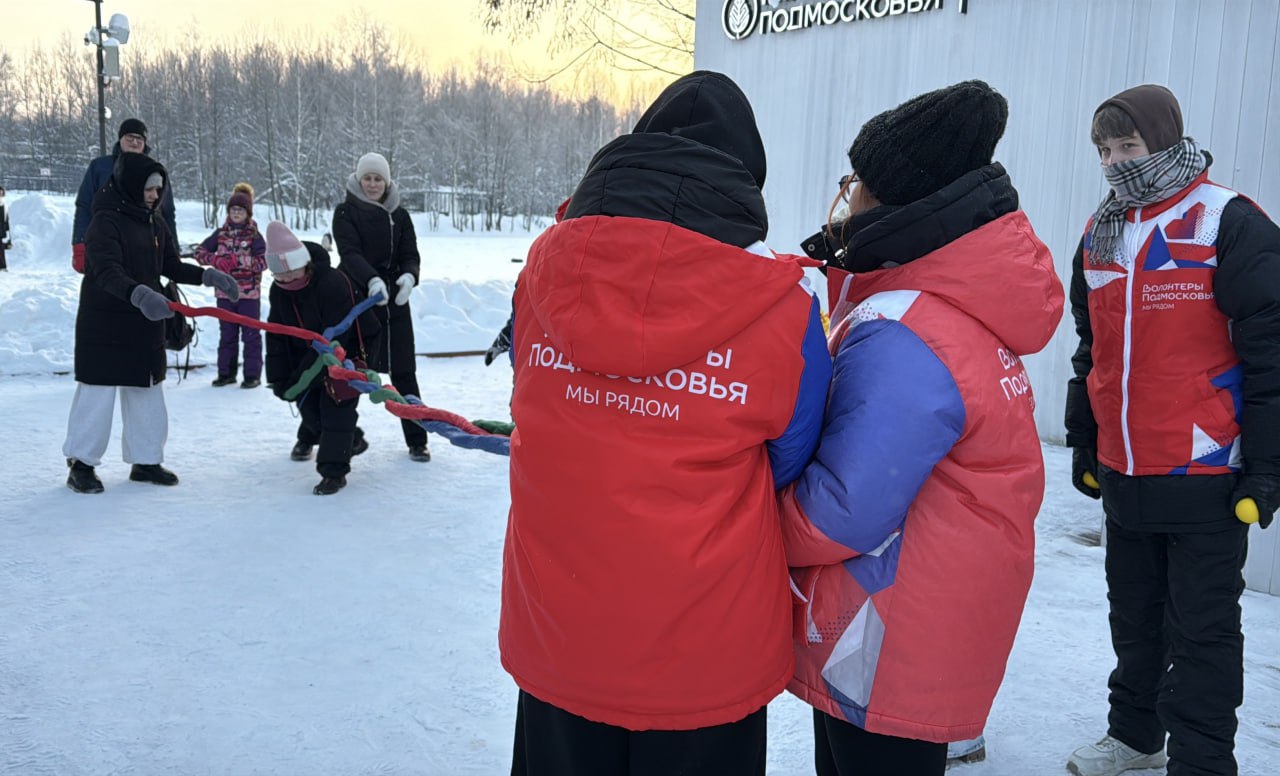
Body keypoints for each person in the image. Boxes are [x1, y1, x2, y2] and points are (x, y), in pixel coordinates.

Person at [500, 70, 831, 776]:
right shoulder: (784, 307)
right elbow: (792, 453)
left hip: (561, 628)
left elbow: (530, 399)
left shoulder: (544, 274)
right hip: (704, 643)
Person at [780, 80, 1063, 776]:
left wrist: (745, 523)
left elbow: (842, 509)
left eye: (858, 182)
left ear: (890, 198)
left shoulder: (909, 327)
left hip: (882, 632)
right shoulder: (953, 306)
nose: (846, 197)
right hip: (926, 616)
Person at [1064, 84, 1280, 776]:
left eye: (1126, 145)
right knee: (1134, 620)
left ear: (1164, 139)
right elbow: (1089, 349)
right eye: (1103, 149)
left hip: (1207, 472)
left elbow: (1272, 354)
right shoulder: (1104, 229)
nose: (1113, 161)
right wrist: (1085, 440)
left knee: (1204, 633)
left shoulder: (1228, 222)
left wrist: (1268, 468)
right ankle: (1134, 738)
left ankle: (1203, 761)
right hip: (1128, 468)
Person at [63, 153, 240, 493]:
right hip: (105, 320)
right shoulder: (104, 222)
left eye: (159, 189)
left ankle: (145, 461)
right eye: (148, 188)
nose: (154, 195)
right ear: (130, 184)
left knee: (146, 388)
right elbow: (105, 271)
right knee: (97, 393)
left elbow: (171, 264)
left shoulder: (153, 220)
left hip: (146, 317)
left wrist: (207, 276)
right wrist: (139, 295)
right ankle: (81, 464)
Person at [264, 221, 379, 495]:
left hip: (345, 353)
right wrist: (281, 378)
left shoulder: (334, 283)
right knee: (309, 406)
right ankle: (349, 440)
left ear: (306, 264)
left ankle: (333, 472)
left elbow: (336, 338)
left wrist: (300, 378)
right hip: (305, 354)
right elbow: (276, 334)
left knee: (336, 409)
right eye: (280, 278)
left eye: (293, 275)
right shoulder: (279, 291)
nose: (287, 283)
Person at [331, 152, 427, 461]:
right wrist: (371, 280)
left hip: (395, 301)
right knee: (351, 374)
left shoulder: (400, 215)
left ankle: (417, 439)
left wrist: (409, 277)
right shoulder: (345, 212)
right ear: (360, 180)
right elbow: (349, 253)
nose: (372, 184)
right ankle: (330, 443)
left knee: (404, 372)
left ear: (386, 182)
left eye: (378, 179)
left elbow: (409, 252)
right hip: (359, 299)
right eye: (367, 178)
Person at [73, 118, 178, 273]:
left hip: (144, 245)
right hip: (105, 241)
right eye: (130, 137)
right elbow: (84, 205)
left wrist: (172, 250)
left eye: (139, 139)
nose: (134, 142)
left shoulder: (155, 170)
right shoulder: (100, 167)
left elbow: (167, 212)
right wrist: (79, 242)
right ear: (120, 139)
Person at [194, 183, 267, 388]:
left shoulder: (254, 236)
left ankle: (252, 375)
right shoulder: (220, 234)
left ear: (247, 213)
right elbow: (199, 253)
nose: (236, 213)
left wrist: (240, 261)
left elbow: (264, 262)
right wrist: (215, 260)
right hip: (225, 294)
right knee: (227, 334)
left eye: (240, 210)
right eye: (233, 210)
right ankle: (226, 373)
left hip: (248, 295)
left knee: (251, 335)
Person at [0, 185, 10, 271]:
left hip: (1, 229)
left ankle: (2, 266)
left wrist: (7, 229)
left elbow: (6, 218)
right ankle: (2, 266)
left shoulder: (4, 204)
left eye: (1, 193)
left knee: (1, 248)